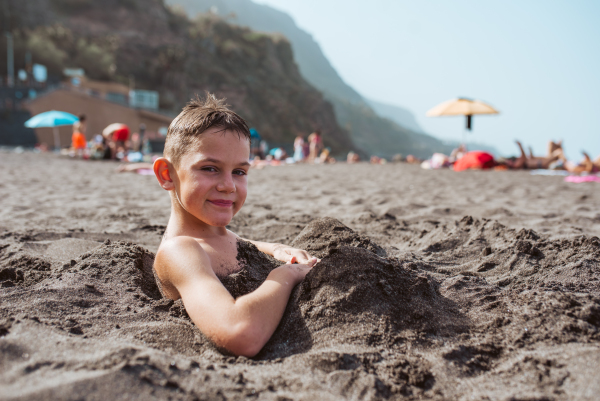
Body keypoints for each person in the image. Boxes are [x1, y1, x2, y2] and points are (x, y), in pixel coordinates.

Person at [152, 94, 319, 357]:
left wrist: (277, 249)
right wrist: (284, 276)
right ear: (167, 174)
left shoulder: (214, 234)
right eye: (209, 168)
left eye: (239, 172)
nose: (228, 185)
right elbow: (240, 333)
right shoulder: (180, 252)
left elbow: (237, 243)